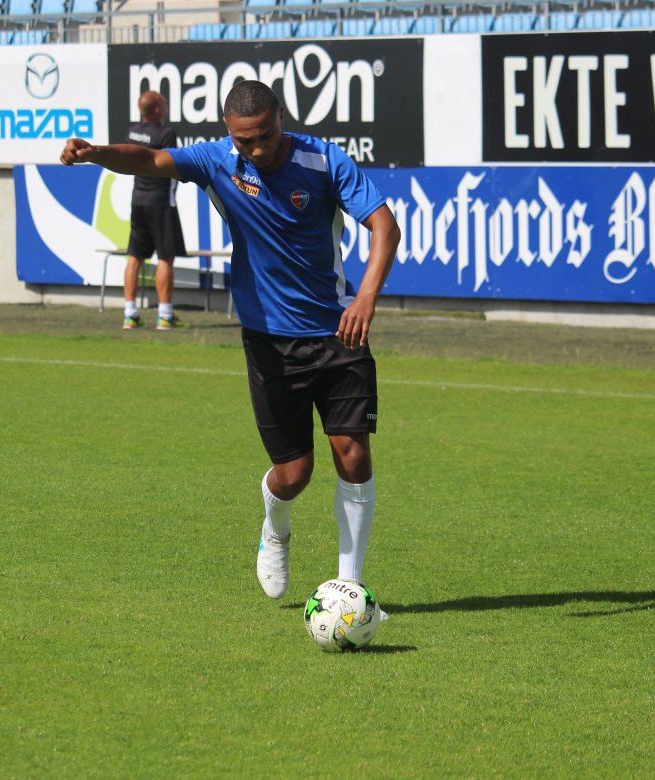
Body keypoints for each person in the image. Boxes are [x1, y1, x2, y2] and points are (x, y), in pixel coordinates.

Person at [60, 80, 401, 601]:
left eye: (265, 136)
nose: (257, 150)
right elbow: (149, 160)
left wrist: (366, 299)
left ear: (281, 118)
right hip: (269, 342)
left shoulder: (324, 160)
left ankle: (349, 587)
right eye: (245, 141)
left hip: (338, 330)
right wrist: (96, 153)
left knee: (353, 454)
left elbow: (384, 227)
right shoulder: (217, 161)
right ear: (228, 131)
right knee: (294, 473)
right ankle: (275, 527)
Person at [122, 90, 187, 330]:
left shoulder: (132, 132)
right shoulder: (166, 134)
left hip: (137, 199)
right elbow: (173, 167)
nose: (167, 106)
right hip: (161, 201)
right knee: (166, 257)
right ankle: (165, 315)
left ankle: (130, 314)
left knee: (135, 256)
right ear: (158, 109)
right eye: (164, 103)